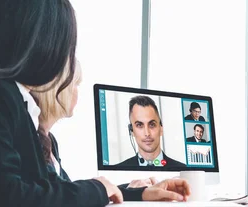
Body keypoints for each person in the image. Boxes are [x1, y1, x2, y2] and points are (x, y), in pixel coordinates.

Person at [0, 1, 190, 207]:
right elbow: (4, 196)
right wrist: (97, 188)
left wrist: (137, 193)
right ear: (41, 41)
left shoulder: (13, 100)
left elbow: (52, 191)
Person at [32, 60, 159, 189]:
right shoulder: (32, 139)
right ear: (56, 88)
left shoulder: (49, 140)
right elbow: (63, 194)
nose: (77, 92)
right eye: (76, 84)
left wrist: (128, 189)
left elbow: (68, 192)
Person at [117, 96, 186, 167]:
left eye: (152, 125)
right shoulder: (117, 171)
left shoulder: (183, 169)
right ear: (132, 131)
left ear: (161, 129)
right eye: (139, 125)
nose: (147, 133)